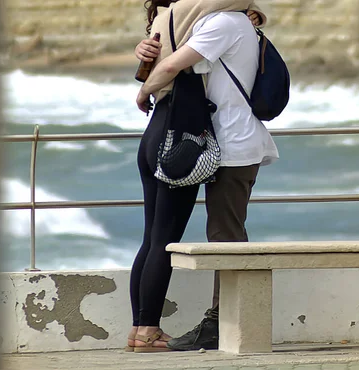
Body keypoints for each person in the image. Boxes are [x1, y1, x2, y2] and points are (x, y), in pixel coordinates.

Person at [127, 0, 278, 353]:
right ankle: (151, 330)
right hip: (187, 138)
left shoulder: (179, 19)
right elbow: (171, 65)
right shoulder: (218, 21)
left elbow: (166, 58)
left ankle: (141, 329)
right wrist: (144, 89)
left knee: (154, 236)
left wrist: (146, 75)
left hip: (163, 129)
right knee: (167, 237)